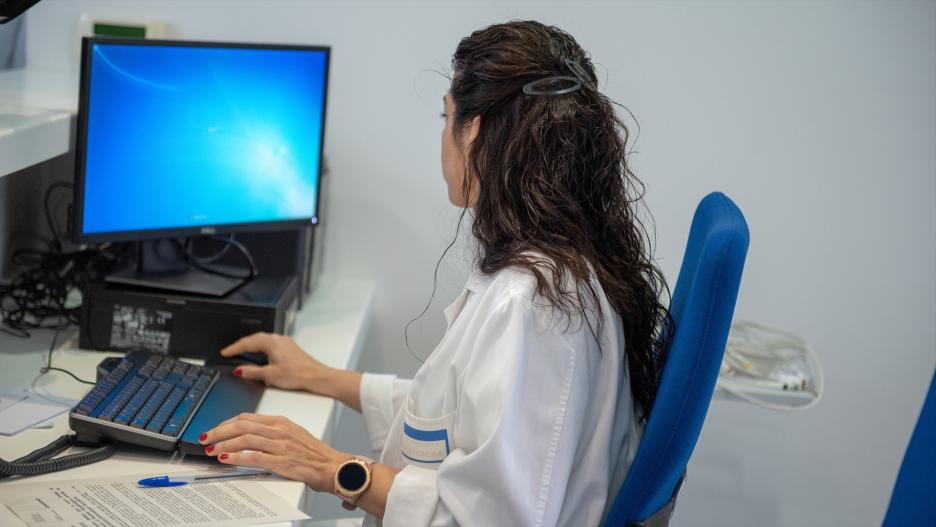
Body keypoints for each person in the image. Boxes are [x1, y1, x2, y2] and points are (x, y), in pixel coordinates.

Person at [200, 20, 672, 527]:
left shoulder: (532, 305)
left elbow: (494, 520)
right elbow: (455, 419)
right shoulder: (563, 269)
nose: (442, 136)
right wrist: (321, 377)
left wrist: (332, 467)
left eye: (445, 117)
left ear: (477, 132)